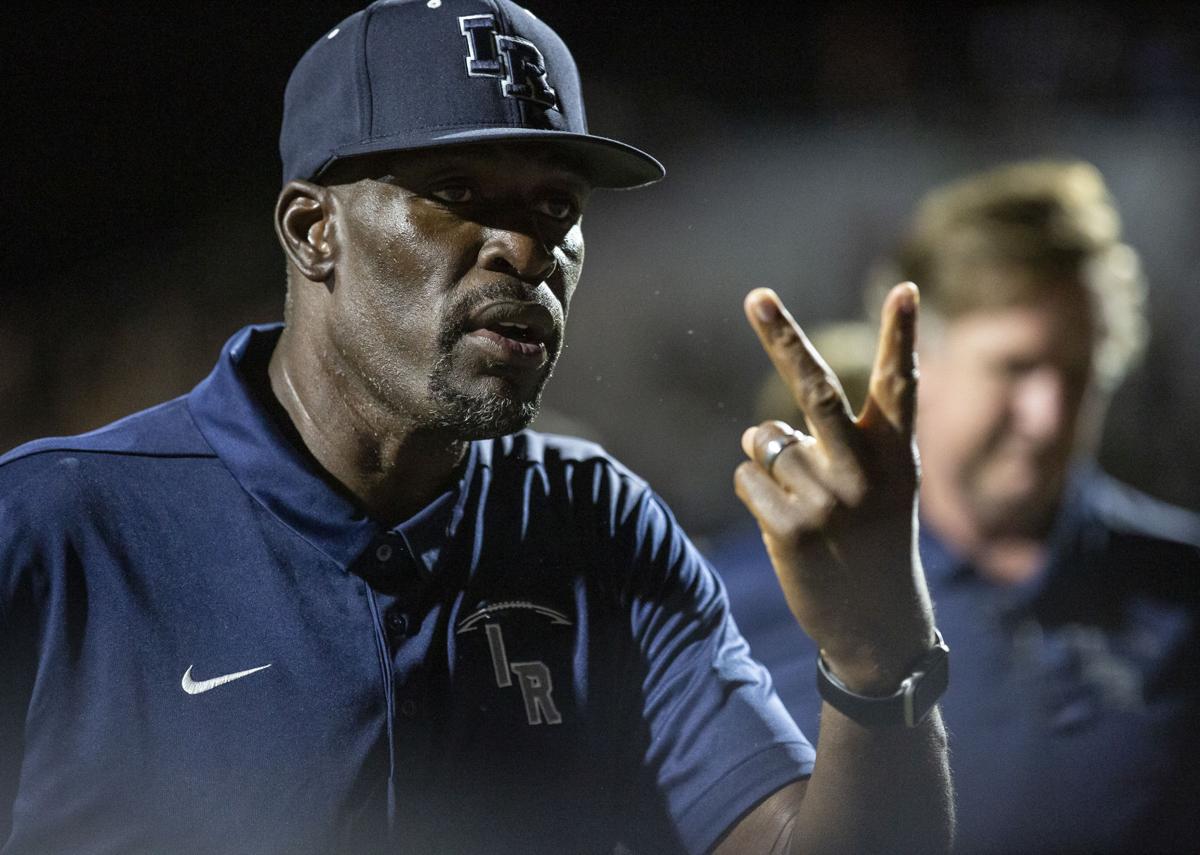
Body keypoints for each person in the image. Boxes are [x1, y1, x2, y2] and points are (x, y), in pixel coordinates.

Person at [0, 1, 953, 852]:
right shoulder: (53, 528)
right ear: (310, 230)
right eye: (457, 190)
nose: (528, 247)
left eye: (556, 205)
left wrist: (878, 655)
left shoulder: (603, 525)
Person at [712, 160, 1200, 854]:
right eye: (1016, 367)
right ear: (915, 363)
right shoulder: (743, 605)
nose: (1048, 414)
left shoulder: (1182, 594)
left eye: (1079, 371)